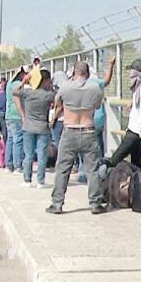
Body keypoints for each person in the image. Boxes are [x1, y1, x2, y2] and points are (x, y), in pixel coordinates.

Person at [47, 61, 105, 215]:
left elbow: (57, 103)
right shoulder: (95, 88)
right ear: (88, 73)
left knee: (62, 169)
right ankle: (95, 203)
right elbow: (98, 105)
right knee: (92, 170)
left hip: (70, 130)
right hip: (88, 130)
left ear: (73, 72)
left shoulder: (65, 87)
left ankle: (57, 204)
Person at [13, 69, 56, 188]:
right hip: (42, 128)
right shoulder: (48, 95)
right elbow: (57, 96)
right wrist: (51, 87)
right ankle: (40, 181)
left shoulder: (28, 93)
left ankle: (27, 180)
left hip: (28, 127)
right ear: (46, 81)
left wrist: (23, 82)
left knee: (28, 155)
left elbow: (14, 91)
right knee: (42, 155)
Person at [4, 68, 25, 173]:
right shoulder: (18, 84)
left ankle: (8, 165)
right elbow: (17, 100)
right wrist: (22, 114)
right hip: (16, 114)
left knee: (10, 140)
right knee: (18, 140)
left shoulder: (9, 83)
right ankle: (17, 165)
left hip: (8, 114)